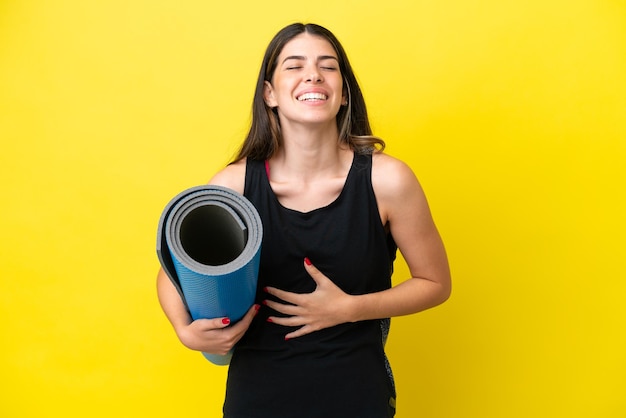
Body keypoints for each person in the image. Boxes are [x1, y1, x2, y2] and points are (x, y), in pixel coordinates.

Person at [157, 22, 451, 418]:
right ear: (270, 93)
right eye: (294, 66)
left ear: (343, 93)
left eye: (327, 66)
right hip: (256, 402)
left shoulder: (388, 180)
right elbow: (175, 269)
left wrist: (348, 308)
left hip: (357, 399)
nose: (313, 74)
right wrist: (185, 330)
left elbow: (435, 284)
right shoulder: (235, 185)